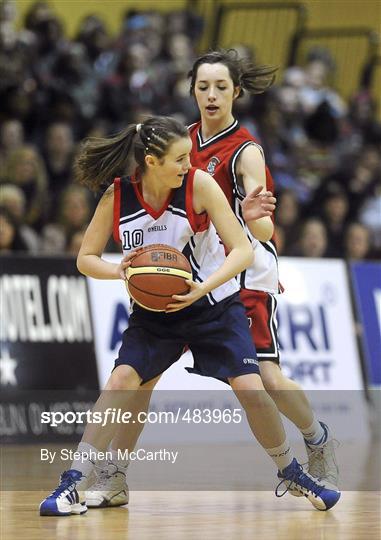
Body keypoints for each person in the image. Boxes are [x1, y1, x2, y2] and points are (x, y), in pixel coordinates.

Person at [39, 116, 340, 516]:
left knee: (252, 387)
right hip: (155, 312)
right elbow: (85, 258)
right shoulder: (117, 197)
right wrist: (120, 269)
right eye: (180, 158)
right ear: (151, 161)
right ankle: (76, 481)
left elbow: (243, 250)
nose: (188, 164)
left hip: (213, 305)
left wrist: (203, 285)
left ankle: (290, 471)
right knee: (124, 382)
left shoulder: (199, 185)